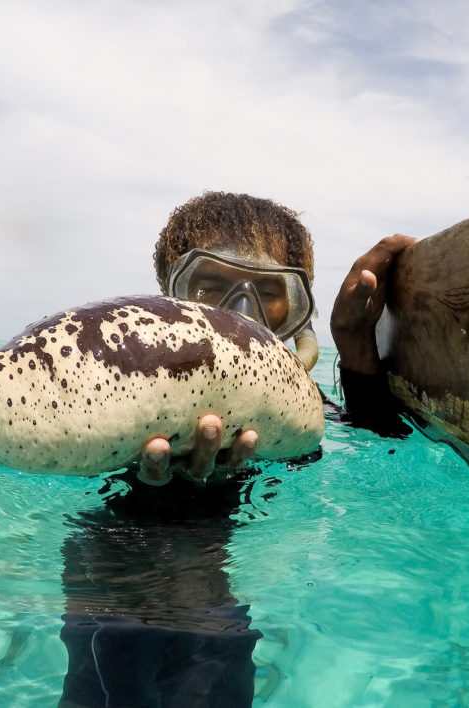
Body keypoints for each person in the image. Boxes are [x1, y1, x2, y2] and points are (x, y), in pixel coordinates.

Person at [58, 192, 417, 708]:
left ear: (296, 311)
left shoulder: (301, 409)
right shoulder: (118, 391)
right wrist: (150, 488)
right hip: (119, 562)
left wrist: (354, 342)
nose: (243, 314)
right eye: (210, 286)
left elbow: (383, 452)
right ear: (167, 297)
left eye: (270, 293)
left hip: (220, 577)